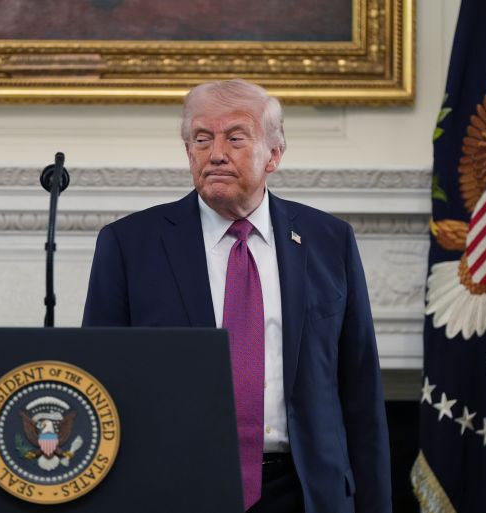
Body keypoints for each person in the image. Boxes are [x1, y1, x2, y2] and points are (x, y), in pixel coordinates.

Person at [83, 79, 391, 513]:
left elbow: (361, 395)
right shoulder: (130, 245)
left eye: (235, 138)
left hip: (305, 491)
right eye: (201, 139)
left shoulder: (329, 241)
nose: (216, 154)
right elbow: (100, 388)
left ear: (274, 155)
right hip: (177, 490)